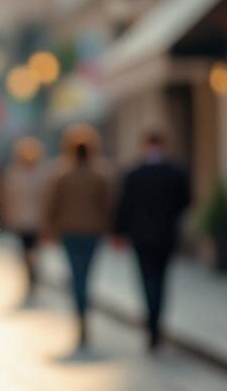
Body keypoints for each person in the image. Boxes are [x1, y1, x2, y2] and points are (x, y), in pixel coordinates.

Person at [113, 128, 191, 351]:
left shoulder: (134, 174)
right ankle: (156, 322)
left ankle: (152, 321)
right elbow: (185, 201)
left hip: (141, 236)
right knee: (161, 279)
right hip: (165, 234)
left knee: (147, 279)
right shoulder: (175, 172)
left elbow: (123, 207)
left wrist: (119, 232)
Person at [41, 124, 113, 351]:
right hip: (92, 231)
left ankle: (80, 314)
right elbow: (108, 204)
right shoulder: (100, 173)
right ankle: (84, 313)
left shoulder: (62, 174)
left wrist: (49, 229)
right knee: (86, 275)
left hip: (70, 231)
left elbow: (52, 203)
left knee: (76, 275)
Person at [0, 136, 47, 299]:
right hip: (21, 221)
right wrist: (8, 217)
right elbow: (8, 198)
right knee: (26, 252)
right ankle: (31, 278)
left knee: (32, 252)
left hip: (37, 220)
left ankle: (33, 278)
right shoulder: (13, 172)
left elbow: (46, 197)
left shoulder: (41, 172)